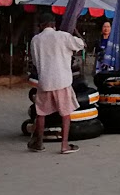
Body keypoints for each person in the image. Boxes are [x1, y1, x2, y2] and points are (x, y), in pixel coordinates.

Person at [28, 13, 86, 154]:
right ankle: (64, 145)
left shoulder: (35, 40)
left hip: (45, 81)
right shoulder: (63, 36)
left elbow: (35, 62)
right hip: (62, 80)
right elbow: (82, 44)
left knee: (41, 113)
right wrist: (74, 30)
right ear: (54, 24)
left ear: (41, 26)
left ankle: (39, 142)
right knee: (65, 113)